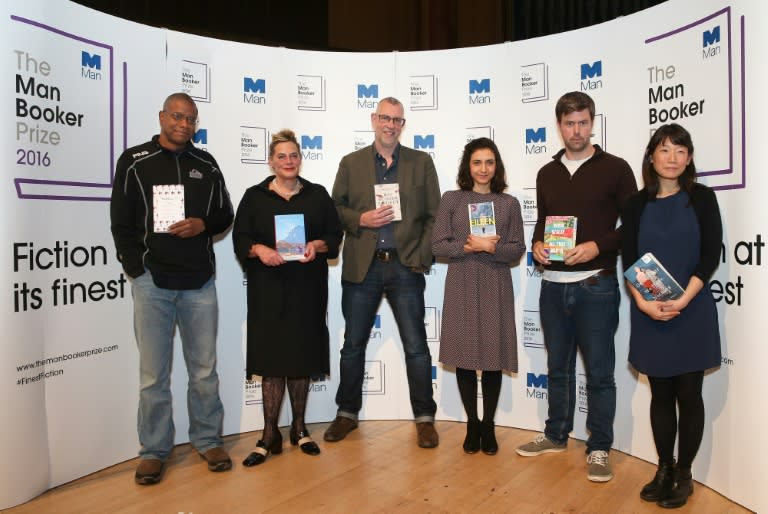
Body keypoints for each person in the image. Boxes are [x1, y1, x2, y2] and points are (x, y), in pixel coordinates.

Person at [110, 92, 234, 484]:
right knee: (153, 376)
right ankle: (154, 450)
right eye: (177, 116)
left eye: (190, 119)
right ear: (162, 116)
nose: (183, 124)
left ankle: (208, 439)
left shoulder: (206, 163)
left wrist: (203, 225)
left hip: (199, 283)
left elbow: (225, 214)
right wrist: (137, 269)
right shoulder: (134, 161)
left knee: (204, 371)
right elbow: (121, 221)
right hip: (153, 284)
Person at [516, 91, 638, 482]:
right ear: (559, 125)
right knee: (557, 368)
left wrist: (596, 247)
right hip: (551, 285)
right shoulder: (546, 172)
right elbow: (543, 222)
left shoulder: (616, 168)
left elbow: (633, 226)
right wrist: (536, 244)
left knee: (600, 372)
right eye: (569, 123)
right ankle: (555, 434)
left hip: (596, 285)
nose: (576, 130)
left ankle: (599, 446)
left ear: (593, 122)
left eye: (583, 122)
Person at [325, 96, 441, 448]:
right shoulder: (351, 162)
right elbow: (334, 208)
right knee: (352, 347)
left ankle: (424, 418)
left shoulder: (421, 163)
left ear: (403, 125)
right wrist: (360, 219)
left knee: (417, 348)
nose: (391, 125)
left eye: (398, 120)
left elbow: (434, 216)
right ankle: (347, 413)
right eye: (385, 118)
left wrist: (420, 257)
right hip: (364, 266)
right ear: (374, 119)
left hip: (406, 266)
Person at [621, 123, 722, 508]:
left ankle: (684, 474)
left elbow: (710, 256)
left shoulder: (702, 199)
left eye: (681, 151)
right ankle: (663, 468)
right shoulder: (634, 204)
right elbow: (628, 259)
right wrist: (643, 303)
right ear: (651, 156)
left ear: (689, 158)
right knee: (660, 394)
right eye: (665, 150)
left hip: (691, 310)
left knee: (688, 394)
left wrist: (683, 300)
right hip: (650, 309)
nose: (672, 158)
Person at [232, 130, 342, 466]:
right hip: (268, 289)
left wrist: (316, 246)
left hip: (307, 288)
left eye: (293, 155)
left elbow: (333, 236)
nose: (289, 161)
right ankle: (269, 435)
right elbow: (240, 238)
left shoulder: (318, 195)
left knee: (301, 358)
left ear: (300, 158)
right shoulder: (254, 197)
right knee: (271, 360)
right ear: (271, 160)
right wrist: (259, 249)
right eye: (281, 156)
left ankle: (299, 429)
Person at [431, 138, 525, 455]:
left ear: (496, 166)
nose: (483, 169)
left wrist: (492, 248)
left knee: (494, 359)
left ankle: (489, 424)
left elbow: (517, 249)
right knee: (466, 359)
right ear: (467, 166)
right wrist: (467, 247)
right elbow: (438, 245)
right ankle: (472, 423)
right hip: (461, 282)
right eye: (477, 162)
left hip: (496, 283)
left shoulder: (508, 203)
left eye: (489, 162)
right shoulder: (452, 199)